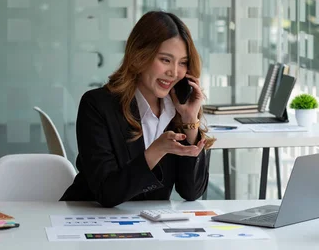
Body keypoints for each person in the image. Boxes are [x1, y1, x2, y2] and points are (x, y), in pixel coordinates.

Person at [60, 11, 215, 207]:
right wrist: (156, 151)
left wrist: (190, 120)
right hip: (88, 218)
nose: (174, 72)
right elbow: (107, 193)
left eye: (183, 63)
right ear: (139, 56)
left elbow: (192, 191)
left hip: (145, 227)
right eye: (165, 60)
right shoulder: (97, 105)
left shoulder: (177, 110)